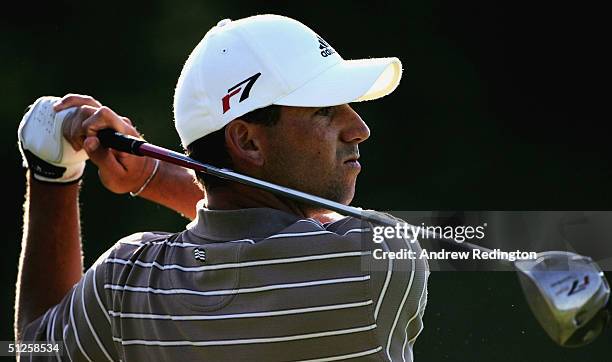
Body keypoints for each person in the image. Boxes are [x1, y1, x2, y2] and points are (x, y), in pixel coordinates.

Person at [15, 14, 429, 361]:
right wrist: (154, 177)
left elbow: (35, 344)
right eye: (325, 111)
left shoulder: (125, 284)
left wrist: (51, 170)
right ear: (247, 141)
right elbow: (280, 236)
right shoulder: (377, 258)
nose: (359, 128)